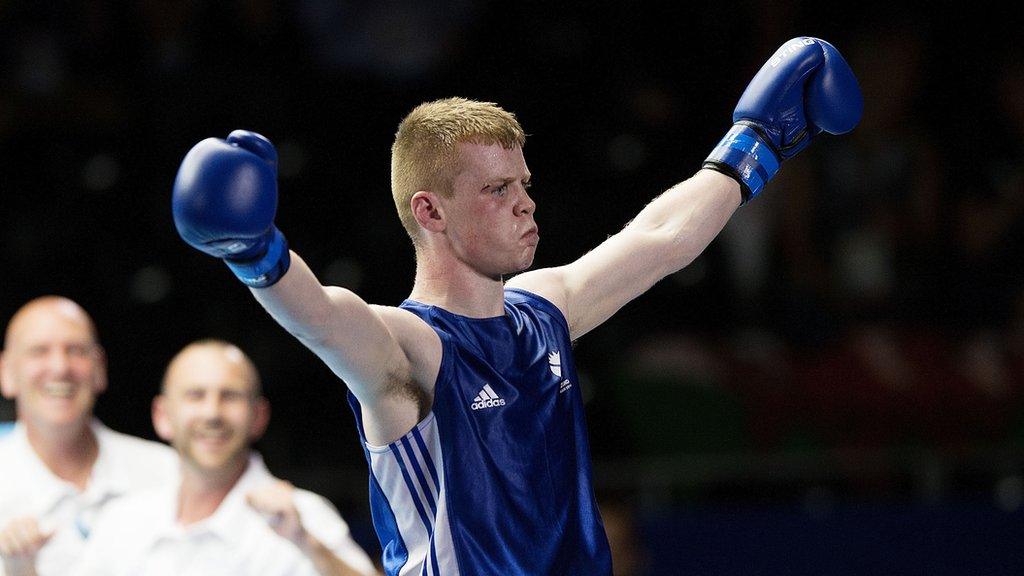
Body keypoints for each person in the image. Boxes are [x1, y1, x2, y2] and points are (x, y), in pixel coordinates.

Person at [170, 37, 862, 574]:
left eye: (524, 182)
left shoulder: (544, 308)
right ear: (430, 211)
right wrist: (253, 252)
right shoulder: (408, 347)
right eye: (498, 189)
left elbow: (660, 237)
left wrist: (756, 144)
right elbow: (319, 315)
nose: (526, 201)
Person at [72, 339, 379, 575]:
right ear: (162, 415)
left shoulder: (304, 518)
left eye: (229, 396)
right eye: (195, 395)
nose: (212, 413)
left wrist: (307, 544)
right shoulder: (122, 521)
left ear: (258, 416)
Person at [0, 297, 178, 576]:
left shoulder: (168, 472)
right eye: (39, 352)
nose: (60, 367)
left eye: (76, 351)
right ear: (6, 372)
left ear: (99, 368)